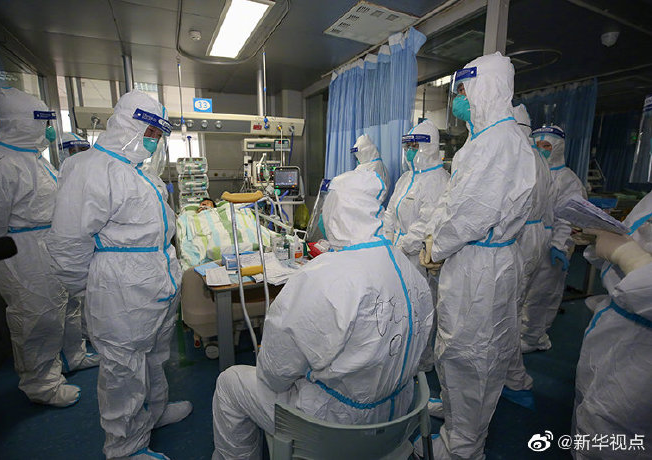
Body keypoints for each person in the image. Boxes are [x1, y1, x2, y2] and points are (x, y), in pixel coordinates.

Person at [212, 169, 434, 459]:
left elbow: (274, 374)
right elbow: (419, 354)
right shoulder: (409, 271)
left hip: (331, 428)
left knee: (230, 382)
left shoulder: (323, 277)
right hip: (395, 420)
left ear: (335, 211)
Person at [46, 90, 191, 460]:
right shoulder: (91, 169)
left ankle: (154, 412)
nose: (153, 140)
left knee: (154, 356)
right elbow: (68, 243)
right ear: (128, 124)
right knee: (123, 370)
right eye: (150, 132)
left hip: (155, 285)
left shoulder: (139, 172)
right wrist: (91, 288)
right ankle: (125, 447)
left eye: (158, 135)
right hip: (120, 290)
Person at [417, 52, 537, 459]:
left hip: (481, 264)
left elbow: (472, 213)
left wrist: (437, 246)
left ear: (486, 89)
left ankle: (464, 446)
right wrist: (435, 238)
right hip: (471, 259)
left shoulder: (500, 142)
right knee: (456, 348)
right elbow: (454, 200)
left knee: (473, 354)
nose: (459, 100)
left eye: (465, 91)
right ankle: (456, 416)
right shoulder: (484, 139)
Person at [0, 87, 78, 407]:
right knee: (35, 319)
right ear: (23, 122)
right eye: (43, 121)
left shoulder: (33, 158)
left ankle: (71, 358)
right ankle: (41, 386)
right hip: (22, 253)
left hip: (47, 246)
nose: (49, 129)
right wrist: (25, 242)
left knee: (61, 309)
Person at [573, 192, 652, 459]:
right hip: (617, 324)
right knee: (591, 416)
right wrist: (603, 238)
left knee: (618, 436)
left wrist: (631, 258)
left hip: (642, 352)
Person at [382, 118, 449, 372]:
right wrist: (387, 240)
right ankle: (402, 355)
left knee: (422, 307)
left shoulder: (439, 181)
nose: (410, 151)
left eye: (414, 146)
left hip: (418, 257)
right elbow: (390, 212)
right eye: (407, 146)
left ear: (428, 147)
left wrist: (401, 246)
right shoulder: (407, 177)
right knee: (400, 307)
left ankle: (422, 361)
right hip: (396, 251)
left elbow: (426, 225)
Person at [503, 104, 553, 405]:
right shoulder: (538, 159)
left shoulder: (519, 158)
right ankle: (511, 374)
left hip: (519, 237)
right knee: (514, 305)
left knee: (506, 311)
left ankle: (513, 376)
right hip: (535, 236)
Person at [521, 125, 587, 353]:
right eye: (538, 145)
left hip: (551, 243)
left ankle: (533, 337)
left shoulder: (567, 179)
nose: (542, 149)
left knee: (542, 293)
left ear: (558, 147)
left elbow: (568, 218)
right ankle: (518, 332)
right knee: (522, 290)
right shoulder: (530, 172)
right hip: (528, 241)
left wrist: (559, 245)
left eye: (547, 145)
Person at [56, 133, 100, 373]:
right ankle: (44, 378)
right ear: (63, 151)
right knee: (51, 312)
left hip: (78, 245)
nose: (81, 154)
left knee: (75, 305)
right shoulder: (61, 175)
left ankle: (77, 353)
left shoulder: (84, 174)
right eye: (76, 150)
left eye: (85, 149)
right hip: (48, 247)